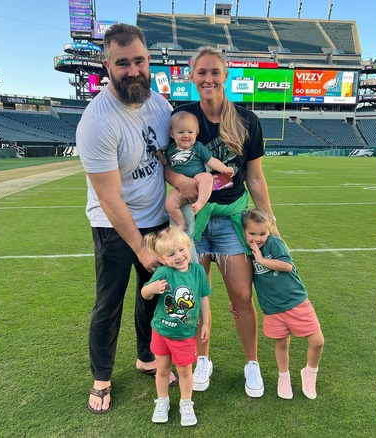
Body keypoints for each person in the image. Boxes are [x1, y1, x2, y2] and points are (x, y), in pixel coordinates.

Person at [75, 23, 176, 414]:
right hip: (113, 225)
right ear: (106, 65)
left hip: (156, 221)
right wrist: (139, 245)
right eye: (122, 63)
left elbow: (163, 159)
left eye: (139, 61)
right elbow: (108, 196)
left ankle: (146, 355)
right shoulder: (97, 121)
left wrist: (186, 183)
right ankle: (101, 376)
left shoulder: (159, 104)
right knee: (109, 302)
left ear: (149, 60)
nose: (133, 70)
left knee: (151, 295)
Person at [167, 46, 278, 397]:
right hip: (192, 220)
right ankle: (203, 359)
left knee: (243, 297)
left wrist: (269, 220)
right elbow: (165, 163)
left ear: (226, 74)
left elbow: (256, 177)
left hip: (232, 220)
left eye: (215, 72)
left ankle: (252, 364)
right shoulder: (181, 115)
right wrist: (180, 182)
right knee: (193, 294)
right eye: (202, 72)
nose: (208, 79)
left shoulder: (247, 120)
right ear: (192, 76)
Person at [242, 209, 324, 400]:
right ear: (244, 232)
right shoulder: (247, 251)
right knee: (281, 343)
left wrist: (261, 259)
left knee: (318, 342)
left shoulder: (274, 243)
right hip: (272, 309)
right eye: (252, 234)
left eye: (263, 233)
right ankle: (283, 377)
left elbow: (287, 266)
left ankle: (310, 372)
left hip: (296, 302)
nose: (258, 238)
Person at [141, 227, 211, 426]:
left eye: (181, 250)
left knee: (185, 371)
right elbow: (145, 293)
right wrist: (151, 289)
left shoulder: (198, 271)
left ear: (188, 247)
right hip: (161, 331)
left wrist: (206, 323)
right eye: (171, 254)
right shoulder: (164, 272)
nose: (178, 257)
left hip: (185, 334)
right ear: (162, 259)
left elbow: (204, 298)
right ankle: (162, 401)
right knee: (162, 369)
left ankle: (186, 403)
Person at [158, 111, 235, 231]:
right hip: (180, 187)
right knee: (169, 204)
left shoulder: (198, 147)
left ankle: (200, 202)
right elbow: (166, 163)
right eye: (181, 132)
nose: (186, 135)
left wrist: (224, 169)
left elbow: (211, 161)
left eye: (190, 132)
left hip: (197, 177)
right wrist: (159, 154)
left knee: (206, 177)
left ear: (196, 133)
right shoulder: (171, 150)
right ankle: (181, 224)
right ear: (172, 134)